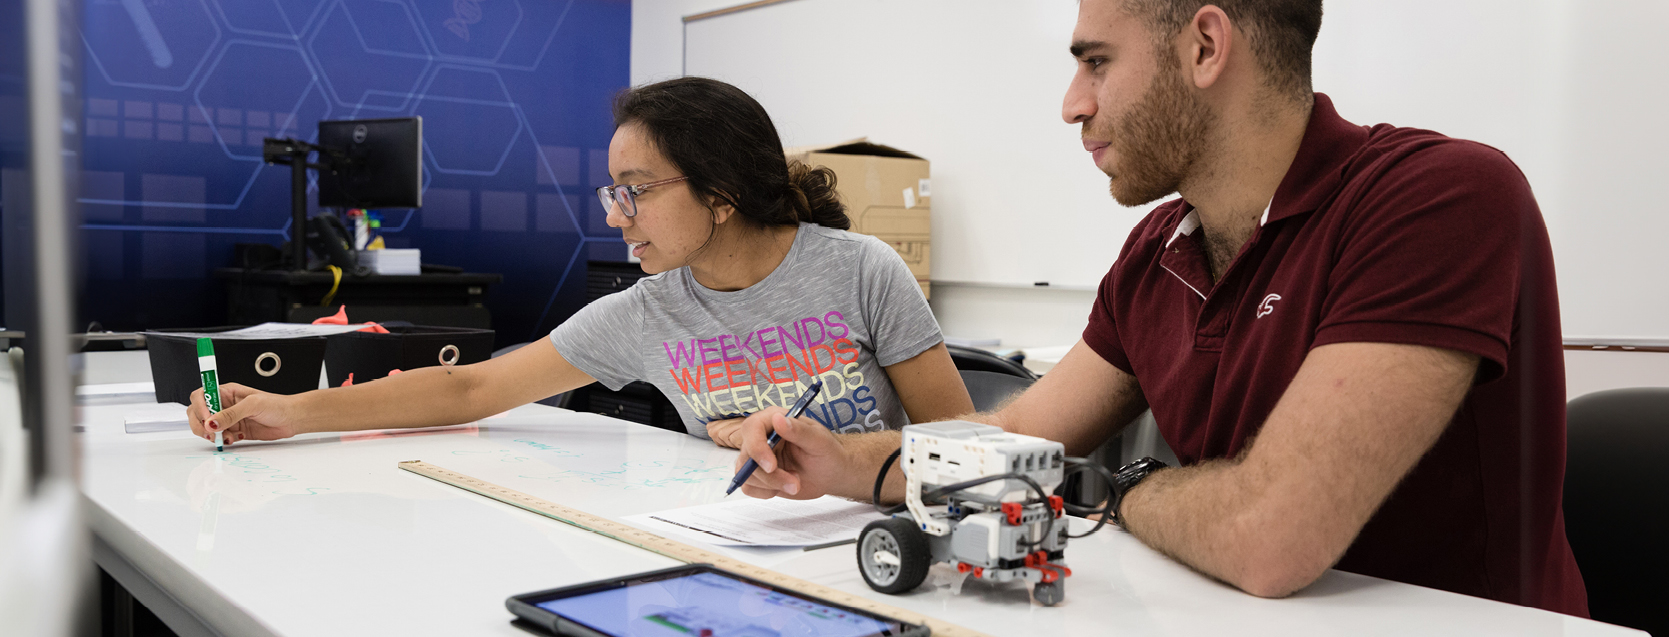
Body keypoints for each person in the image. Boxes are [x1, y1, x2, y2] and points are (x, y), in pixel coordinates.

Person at [728, 0, 1589, 617]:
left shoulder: (1437, 198)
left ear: (1205, 46)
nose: (1073, 103)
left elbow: (1267, 537)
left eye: (1096, 60)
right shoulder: (1157, 250)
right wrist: (840, 462)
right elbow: (1022, 435)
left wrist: (1123, 488)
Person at [187, 77, 973, 449]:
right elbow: (473, 385)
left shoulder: (861, 270)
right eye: (611, 191)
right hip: (726, 547)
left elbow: (962, 442)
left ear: (722, 194)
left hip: (869, 550)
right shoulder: (649, 308)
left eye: (635, 191)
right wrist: (288, 409)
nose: (612, 214)